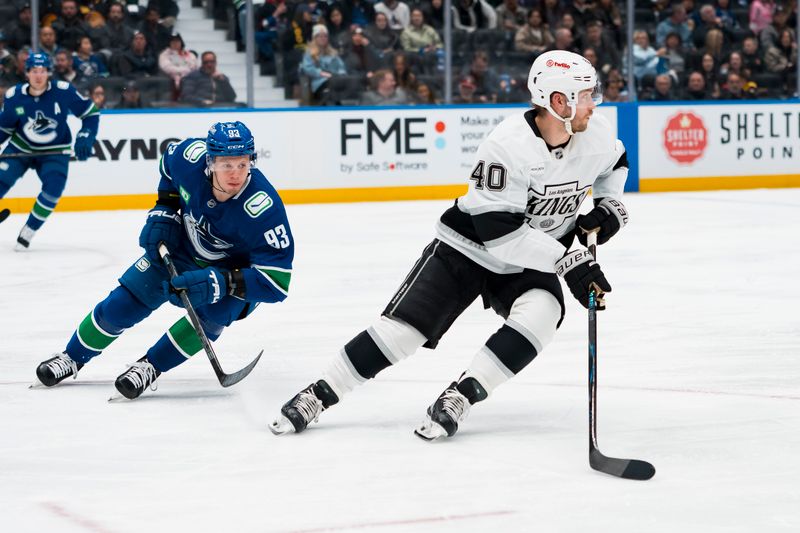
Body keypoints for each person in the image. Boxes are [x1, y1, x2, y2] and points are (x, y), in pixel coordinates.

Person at [270, 50, 629, 440]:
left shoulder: (597, 132)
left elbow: (616, 163)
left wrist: (611, 205)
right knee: (405, 332)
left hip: (534, 256)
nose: (595, 104)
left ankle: (461, 395)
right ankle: (320, 393)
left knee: (543, 313)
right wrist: (569, 260)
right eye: (587, 95)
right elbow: (502, 238)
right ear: (560, 101)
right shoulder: (507, 146)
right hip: (468, 248)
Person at [34, 121, 294, 400]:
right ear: (209, 161)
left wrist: (221, 283)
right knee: (127, 300)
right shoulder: (188, 157)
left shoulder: (263, 209)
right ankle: (72, 357)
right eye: (226, 165)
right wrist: (165, 209)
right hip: (182, 247)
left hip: (232, 271)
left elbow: (276, 283)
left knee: (214, 315)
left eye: (242, 165)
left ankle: (150, 366)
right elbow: (168, 168)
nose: (235, 174)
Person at [0, 53, 100, 248]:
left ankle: (30, 229)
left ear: (48, 73)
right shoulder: (14, 96)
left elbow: (91, 113)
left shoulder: (64, 91)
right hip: (21, 147)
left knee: (53, 189)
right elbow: (4, 128)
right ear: (27, 73)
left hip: (55, 151)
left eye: (43, 71)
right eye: (34, 71)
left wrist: (85, 136)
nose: (39, 76)